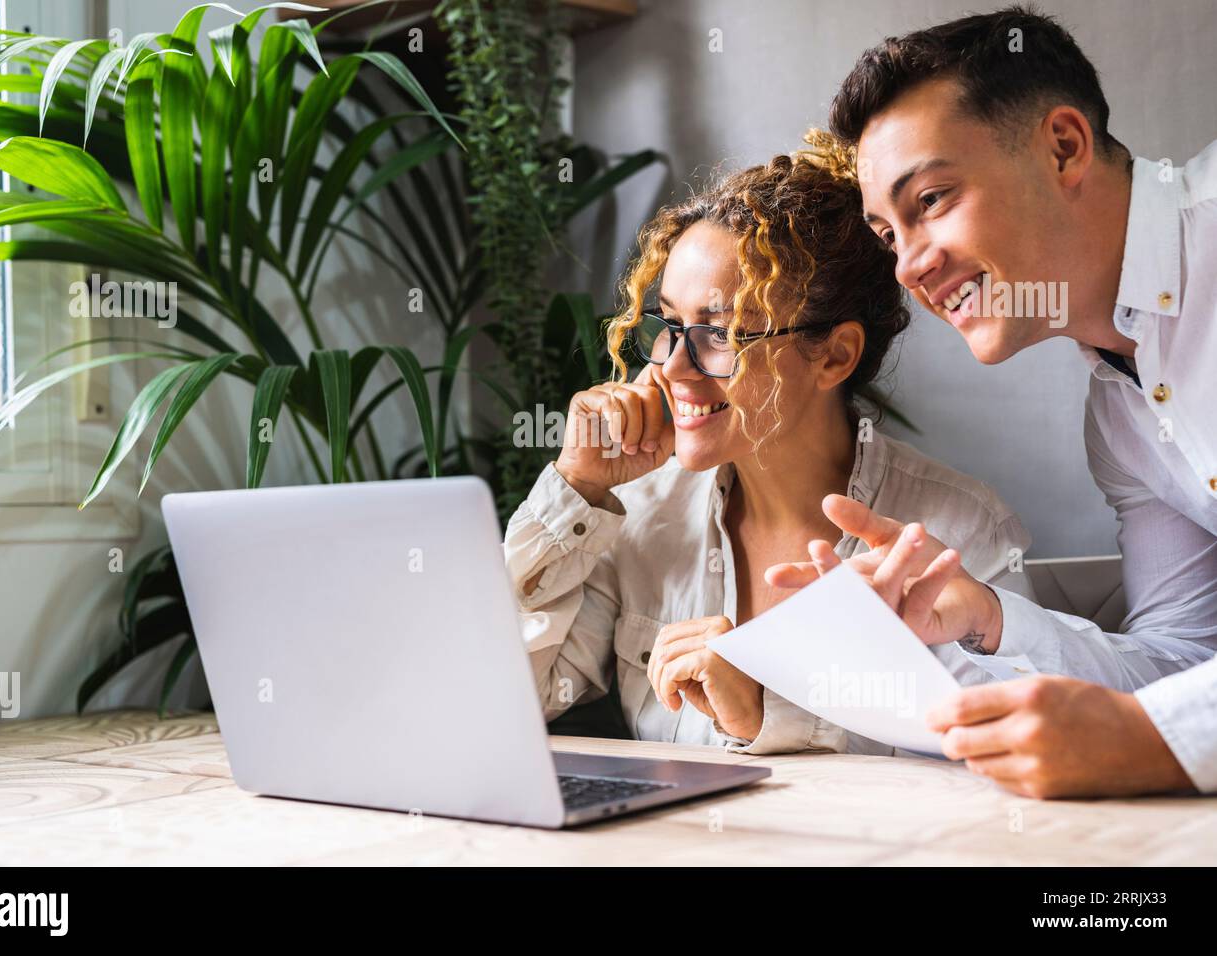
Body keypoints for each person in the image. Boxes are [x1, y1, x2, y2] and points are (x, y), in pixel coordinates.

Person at [768, 6, 1217, 796]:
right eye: (887, 234)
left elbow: (1168, 720)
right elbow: (1185, 662)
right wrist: (986, 618)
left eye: (932, 198)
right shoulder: (1121, 419)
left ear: (1064, 147)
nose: (907, 266)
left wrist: (1156, 739)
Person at [503, 131, 1035, 756]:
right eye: (670, 325)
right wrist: (578, 488)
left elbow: (1005, 759)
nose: (673, 367)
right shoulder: (642, 515)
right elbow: (503, 700)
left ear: (834, 356)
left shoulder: (958, 532)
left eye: (721, 334)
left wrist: (767, 714)